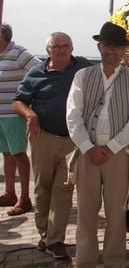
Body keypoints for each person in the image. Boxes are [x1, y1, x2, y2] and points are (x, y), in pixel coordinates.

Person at [66, 22, 129, 268]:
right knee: (87, 213)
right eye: (108, 45)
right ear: (100, 46)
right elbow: (73, 115)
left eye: (117, 46)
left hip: (118, 153)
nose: (112, 50)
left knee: (116, 213)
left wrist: (111, 147)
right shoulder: (82, 76)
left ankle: (114, 261)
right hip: (87, 151)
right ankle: (86, 261)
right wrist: (88, 147)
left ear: (124, 50)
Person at [12, 32, 91, 259]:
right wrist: (30, 116)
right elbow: (18, 101)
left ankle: (56, 240)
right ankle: (44, 234)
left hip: (73, 140)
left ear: (72, 48)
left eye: (65, 46)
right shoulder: (36, 73)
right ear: (48, 51)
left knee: (63, 190)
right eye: (56, 47)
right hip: (43, 139)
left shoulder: (83, 68)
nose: (61, 50)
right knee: (42, 188)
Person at [0, 23, 40, 216]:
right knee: (6, 154)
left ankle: (25, 198)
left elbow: (39, 70)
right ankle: (10, 193)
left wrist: (28, 97)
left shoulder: (18, 52)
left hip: (13, 114)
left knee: (19, 154)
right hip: (0, 114)